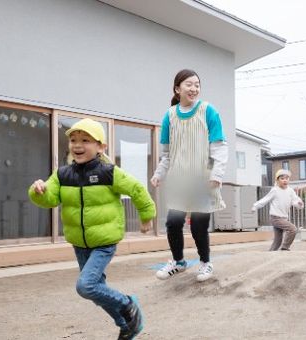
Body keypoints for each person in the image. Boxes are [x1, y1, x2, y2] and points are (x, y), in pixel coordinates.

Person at [28, 118, 156, 339]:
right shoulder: (62, 175)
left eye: (85, 140)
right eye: (74, 140)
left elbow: (136, 189)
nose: (78, 145)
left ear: (100, 147)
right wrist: (37, 190)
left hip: (104, 241)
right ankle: (126, 325)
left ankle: (128, 304)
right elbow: (50, 199)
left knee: (86, 286)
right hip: (80, 243)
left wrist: (147, 215)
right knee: (97, 292)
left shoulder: (109, 172)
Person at [151, 69, 228, 282]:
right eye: (188, 84)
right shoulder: (170, 116)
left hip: (203, 179)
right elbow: (166, 154)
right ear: (177, 89)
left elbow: (219, 146)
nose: (194, 88)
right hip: (179, 180)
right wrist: (159, 174)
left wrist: (217, 174)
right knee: (173, 223)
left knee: (199, 224)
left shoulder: (208, 111)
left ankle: (205, 263)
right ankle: (178, 262)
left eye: (197, 84)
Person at [252, 169, 304, 251]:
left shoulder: (290, 191)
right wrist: (255, 206)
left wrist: (299, 204)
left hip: (284, 218)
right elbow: (265, 199)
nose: (285, 180)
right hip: (275, 218)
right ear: (277, 180)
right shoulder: (275, 190)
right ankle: (285, 247)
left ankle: (270, 254)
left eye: (287, 178)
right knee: (292, 229)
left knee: (277, 241)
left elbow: (295, 200)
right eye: (282, 178)